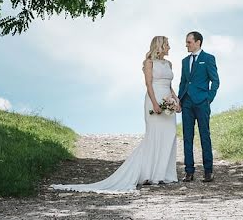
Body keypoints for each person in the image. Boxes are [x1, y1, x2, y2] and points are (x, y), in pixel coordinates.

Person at [49, 36, 180, 193]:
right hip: (154, 99)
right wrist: (155, 103)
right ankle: (149, 174)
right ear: (160, 46)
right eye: (167, 45)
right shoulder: (149, 63)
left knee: (169, 135)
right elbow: (148, 84)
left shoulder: (169, 64)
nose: (169, 47)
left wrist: (176, 100)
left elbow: (170, 85)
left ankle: (165, 173)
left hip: (168, 100)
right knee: (154, 136)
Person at [178, 30, 219, 183]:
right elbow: (183, 82)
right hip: (187, 102)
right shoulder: (184, 61)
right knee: (187, 138)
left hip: (202, 102)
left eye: (189, 42)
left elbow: (215, 81)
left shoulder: (208, 58)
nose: (186, 45)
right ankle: (189, 172)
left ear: (198, 42)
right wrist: (179, 100)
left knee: (204, 136)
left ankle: (208, 171)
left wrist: (209, 98)